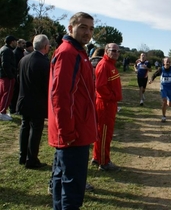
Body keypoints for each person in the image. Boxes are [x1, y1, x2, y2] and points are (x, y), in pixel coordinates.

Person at [47, 12, 97, 209]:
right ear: (70, 28)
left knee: (62, 182)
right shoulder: (69, 53)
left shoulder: (78, 52)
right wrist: (67, 132)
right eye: (83, 27)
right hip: (73, 134)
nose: (88, 32)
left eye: (91, 28)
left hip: (76, 130)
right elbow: (60, 95)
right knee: (72, 189)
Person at [17, 34, 50, 168]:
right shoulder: (44, 63)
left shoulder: (24, 59)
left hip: (24, 98)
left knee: (25, 127)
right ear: (45, 46)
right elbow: (47, 85)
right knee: (35, 131)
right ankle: (31, 159)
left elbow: (18, 78)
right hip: (37, 102)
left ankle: (22, 155)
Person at [91, 43, 122, 171]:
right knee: (104, 134)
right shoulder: (104, 65)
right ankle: (104, 162)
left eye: (118, 51)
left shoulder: (110, 65)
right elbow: (100, 86)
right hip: (105, 104)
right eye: (113, 50)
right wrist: (111, 96)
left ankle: (97, 157)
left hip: (110, 104)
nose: (116, 53)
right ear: (106, 50)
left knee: (103, 133)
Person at [148, 57, 171, 122]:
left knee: (170, 105)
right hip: (163, 87)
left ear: (170, 62)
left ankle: (167, 103)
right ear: (163, 63)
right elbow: (154, 75)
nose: (167, 63)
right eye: (166, 61)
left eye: (168, 61)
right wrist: (151, 80)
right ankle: (163, 116)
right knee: (164, 101)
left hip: (170, 88)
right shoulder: (161, 69)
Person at [0, 35, 18, 121]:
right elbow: (5, 64)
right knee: (7, 94)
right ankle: (2, 112)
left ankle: (1, 111)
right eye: (15, 41)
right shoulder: (7, 50)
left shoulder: (3, 49)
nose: (16, 43)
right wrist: (11, 75)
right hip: (7, 76)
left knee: (3, 93)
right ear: (12, 42)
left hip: (3, 76)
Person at [10, 38, 26, 114]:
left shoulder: (21, 52)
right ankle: (13, 109)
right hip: (16, 75)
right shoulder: (16, 52)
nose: (24, 45)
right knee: (15, 93)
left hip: (19, 75)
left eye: (24, 43)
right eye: (22, 43)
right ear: (18, 44)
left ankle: (16, 109)